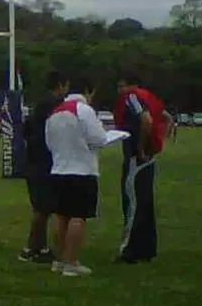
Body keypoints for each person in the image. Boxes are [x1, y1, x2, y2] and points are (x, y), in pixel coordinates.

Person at [45, 78, 107, 276]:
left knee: (60, 215)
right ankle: (72, 262)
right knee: (78, 217)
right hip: (82, 170)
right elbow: (99, 138)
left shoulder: (54, 112)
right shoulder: (84, 110)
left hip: (58, 169)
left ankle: (60, 260)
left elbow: (49, 142)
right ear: (88, 93)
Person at [113, 75, 173, 264]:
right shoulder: (148, 96)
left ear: (128, 85)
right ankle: (146, 248)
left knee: (132, 202)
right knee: (145, 202)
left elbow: (145, 120)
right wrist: (160, 140)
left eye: (120, 86)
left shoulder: (131, 97)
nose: (118, 91)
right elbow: (166, 117)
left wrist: (140, 148)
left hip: (136, 158)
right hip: (148, 158)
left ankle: (129, 249)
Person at [18, 70, 70, 263]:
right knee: (42, 208)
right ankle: (30, 248)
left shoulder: (39, 105)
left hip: (33, 160)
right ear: (62, 85)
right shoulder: (54, 106)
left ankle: (40, 247)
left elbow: (25, 131)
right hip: (43, 162)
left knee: (44, 207)